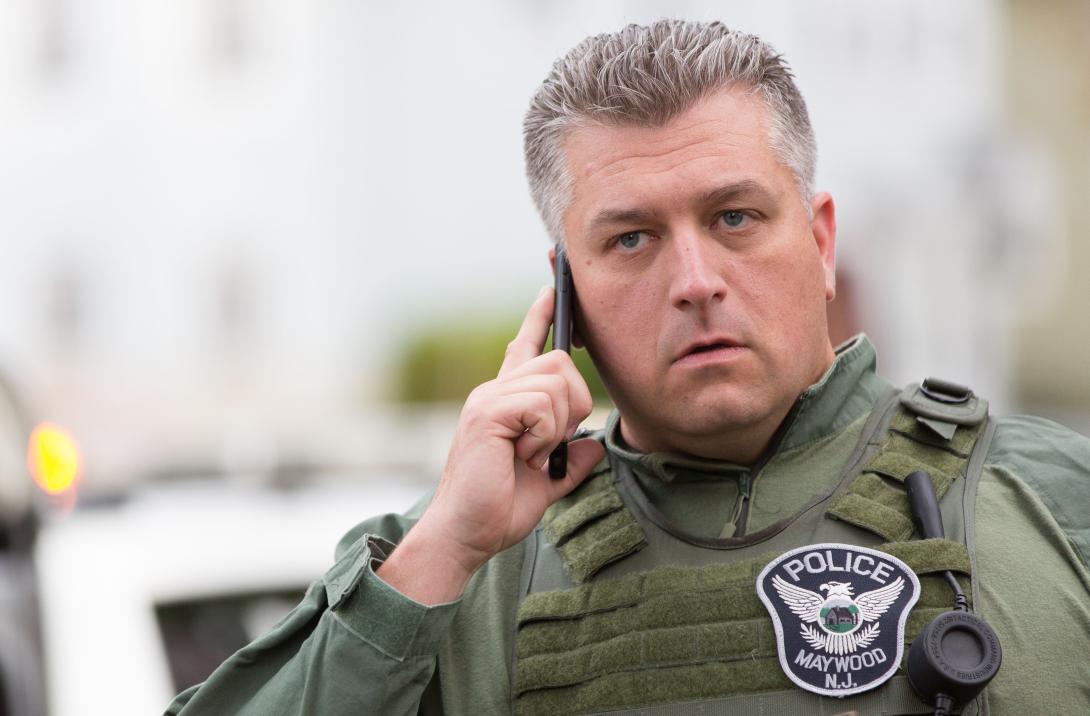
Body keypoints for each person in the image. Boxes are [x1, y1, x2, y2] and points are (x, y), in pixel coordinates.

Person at [166, 19, 1090, 716]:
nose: (694, 282)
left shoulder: (1049, 502)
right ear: (565, 296)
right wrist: (443, 552)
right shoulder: (460, 574)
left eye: (734, 217)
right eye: (633, 238)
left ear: (820, 243)